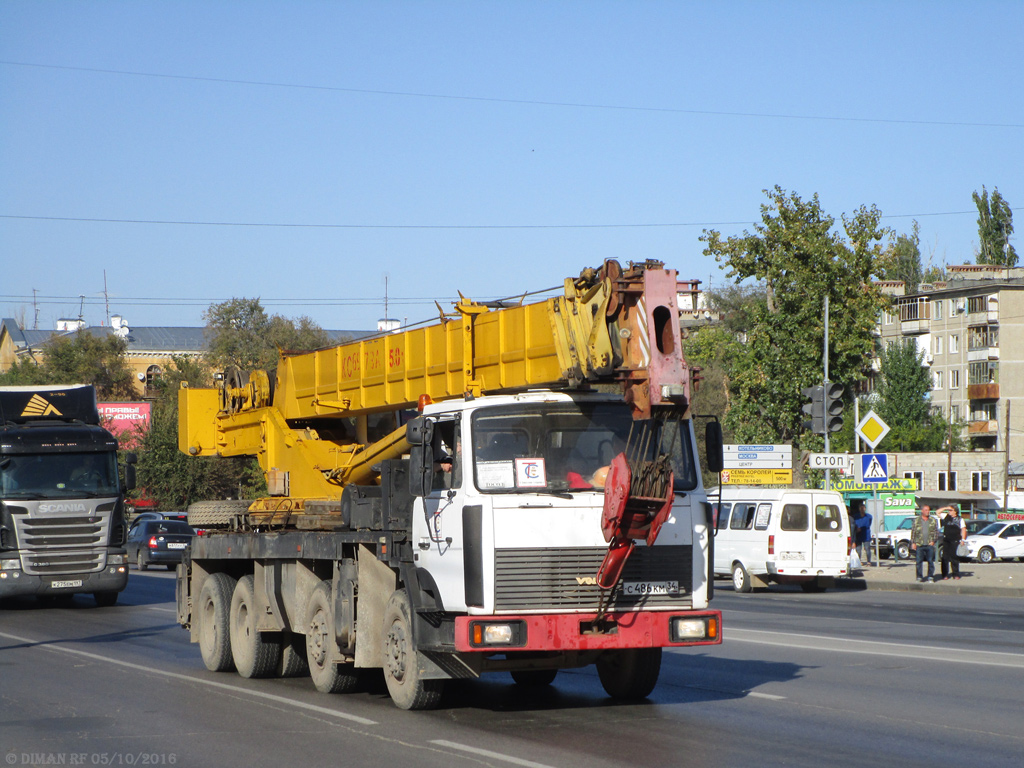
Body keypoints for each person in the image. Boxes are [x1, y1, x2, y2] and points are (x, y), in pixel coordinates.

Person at [910, 505, 940, 582]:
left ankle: (930, 576)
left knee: (930, 561)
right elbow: (913, 532)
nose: (927, 512)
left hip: (929, 544)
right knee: (919, 561)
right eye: (926, 510)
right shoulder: (917, 520)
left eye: (928, 510)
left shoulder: (933, 520)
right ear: (922, 511)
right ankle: (919, 576)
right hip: (919, 544)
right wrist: (913, 542)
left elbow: (936, 532)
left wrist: (933, 541)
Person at [940, 505, 967, 580]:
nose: (949, 511)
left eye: (951, 510)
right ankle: (944, 574)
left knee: (954, 557)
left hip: (955, 540)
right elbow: (937, 512)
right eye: (949, 510)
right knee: (945, 558)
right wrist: (945, 507)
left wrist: (963, 539)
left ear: (955, 511)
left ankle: (955, 574)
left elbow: (963, 529)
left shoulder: (960, 519)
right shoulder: (946, 516)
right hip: (946, 540)